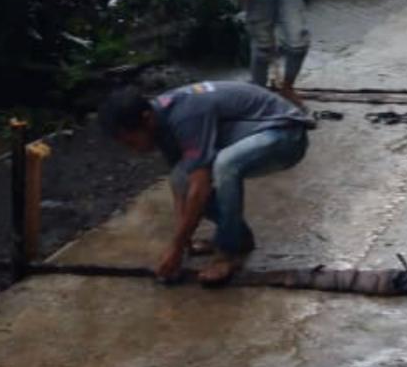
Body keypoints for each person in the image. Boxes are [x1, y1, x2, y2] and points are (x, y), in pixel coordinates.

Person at [99, 81, 313, 285]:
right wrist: (183, 243)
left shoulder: (184, 116)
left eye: (131, 141)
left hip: (286, 134)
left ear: (147, 119)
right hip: (255, 133)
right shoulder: (160, 120)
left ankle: (229, 252)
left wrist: (176, 246)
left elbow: (199, 189)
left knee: (224, 165)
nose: (133, 149)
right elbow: (182, 183)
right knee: (182, 176)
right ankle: (239, 237)